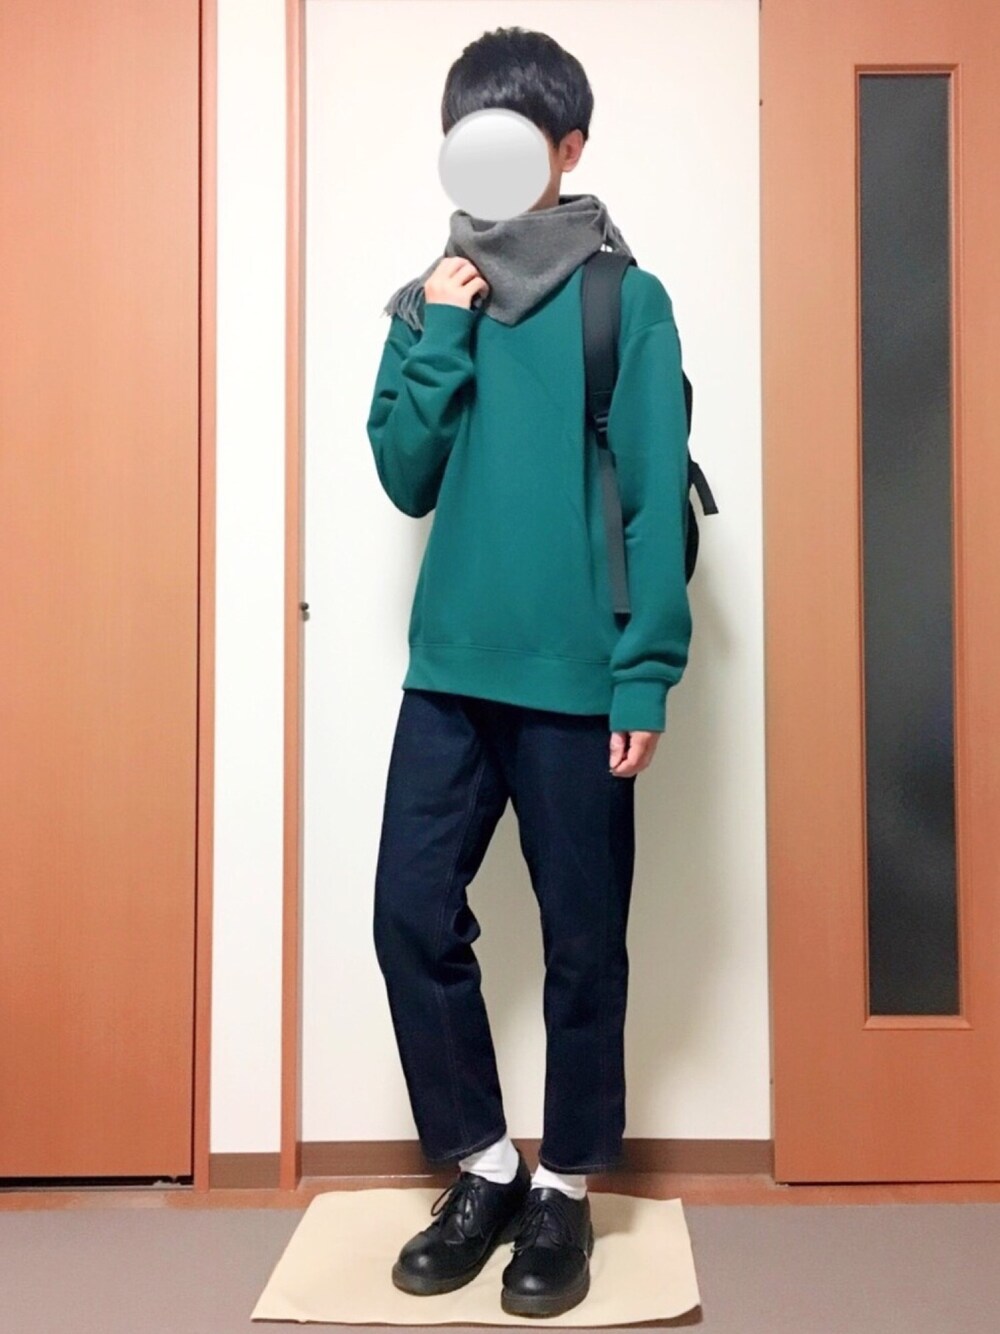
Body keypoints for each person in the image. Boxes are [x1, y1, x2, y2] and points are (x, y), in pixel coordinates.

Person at [365, 25, 692, 1319]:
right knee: (409, 913)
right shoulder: (426, 298)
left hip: (579, 677)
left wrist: (645, 675)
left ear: (567, 149)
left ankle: (564, 1188)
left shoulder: (626, 301)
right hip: (450, 670)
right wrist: (443, 331)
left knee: (584, 946)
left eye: (516, 138)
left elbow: (653, 501)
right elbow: (405, 476)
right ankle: (488, 1165)